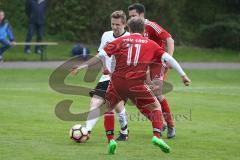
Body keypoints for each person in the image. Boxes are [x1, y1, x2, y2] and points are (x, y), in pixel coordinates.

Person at [73, 17, 191, 154]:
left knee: (108, 108)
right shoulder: (151, 44)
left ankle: (110, 140)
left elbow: (101, 56)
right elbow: (169, 58)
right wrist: (183, 75)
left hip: (117, 82)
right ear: (143, 30)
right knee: (156, 106)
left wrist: (81, 67)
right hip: (137, 84)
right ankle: (157, 136)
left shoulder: (119, 41)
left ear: (129, 28)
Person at [72, 10, 130, 141]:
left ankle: (124, 132)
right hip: (107, 77)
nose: (114, 27)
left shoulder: (130, 39)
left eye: (117, 25)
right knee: (95, 102)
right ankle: (86, 132)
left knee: (117, 106)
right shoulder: (106, 35)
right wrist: (101, 66)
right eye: (112, 24)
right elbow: (101, 54)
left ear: (124, 24)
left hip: (123, 79)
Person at [128, 3, 176, 138]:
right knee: (136, 98)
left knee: (157, 93)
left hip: (157, 64)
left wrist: (169, 59)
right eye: (130, 16)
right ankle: (160, 123)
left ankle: (171, 125)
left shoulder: (151, 26)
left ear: (142, 15)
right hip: (142, 66)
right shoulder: (132, 28)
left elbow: (169, 39)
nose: (131, 18)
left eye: (134, 15)